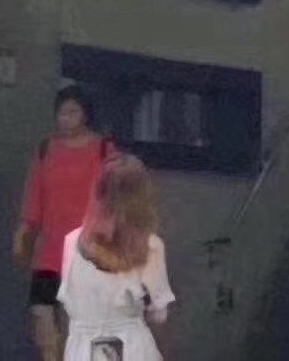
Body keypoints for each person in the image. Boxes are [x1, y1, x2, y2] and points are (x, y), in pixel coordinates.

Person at [16, 87, 115, 361]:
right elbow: (34, 195)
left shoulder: (104, 150)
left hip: (89, 250)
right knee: (42, 313)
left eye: (72, 112)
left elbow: (115, 197)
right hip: (50, 251)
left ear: (85, 115)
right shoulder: (47, 149)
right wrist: (24, 230)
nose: (65, 118)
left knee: (79, 324)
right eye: (61, 113)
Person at [59, 156, 174, 361]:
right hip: (133, 349)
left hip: (82, 350)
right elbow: (159, 314)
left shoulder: (71, 242)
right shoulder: (151, 246)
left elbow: (68, 301)